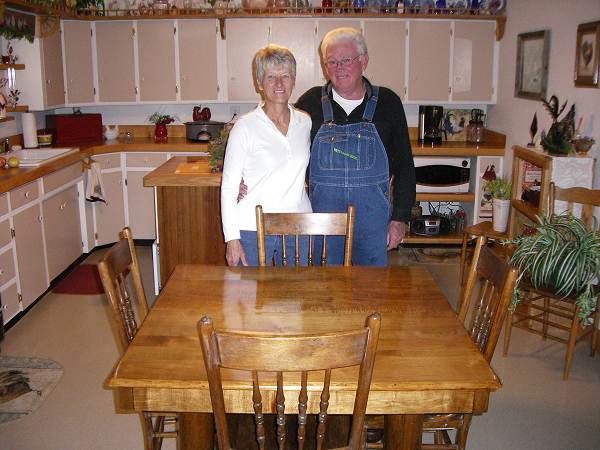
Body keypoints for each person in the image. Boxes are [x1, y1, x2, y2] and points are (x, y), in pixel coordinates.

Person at [295, 27, 415, 266]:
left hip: (372, 222)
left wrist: (400, 218)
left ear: (364, 61)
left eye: (346, 60)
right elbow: (286, 153)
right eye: (332, 62)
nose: (339, 68)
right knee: (324, 291)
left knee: (369, 292)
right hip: (323, 221)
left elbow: (404, 166)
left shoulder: (388, 103)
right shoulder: (309, 103)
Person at [221, 44, 312, 266]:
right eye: (271, 77)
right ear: (260, 83)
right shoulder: (245, 127)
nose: (279, 83)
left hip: (296, 226)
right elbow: (229, 187)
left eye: (285, 76)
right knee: (248, 298)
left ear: (293, 81)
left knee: (295, 298)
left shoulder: (304, 122)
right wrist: (232, 238)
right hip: (252, 228)